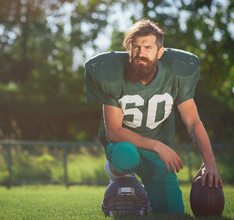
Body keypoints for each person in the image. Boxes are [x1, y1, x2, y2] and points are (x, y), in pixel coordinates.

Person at [84, 18, 223, 213]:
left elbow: (192, 122)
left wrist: (209, 163)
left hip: (158, 152)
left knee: (172, 212)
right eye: (135, 47)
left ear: (160, 52)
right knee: (126, 155)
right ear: (128, 49)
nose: (141, 53)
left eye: (148, 47)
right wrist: (158, 146)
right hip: (124, 145)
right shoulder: (112, 74)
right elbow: (114, 132)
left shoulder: (176, 74)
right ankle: (118, 174)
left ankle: (148, 198)